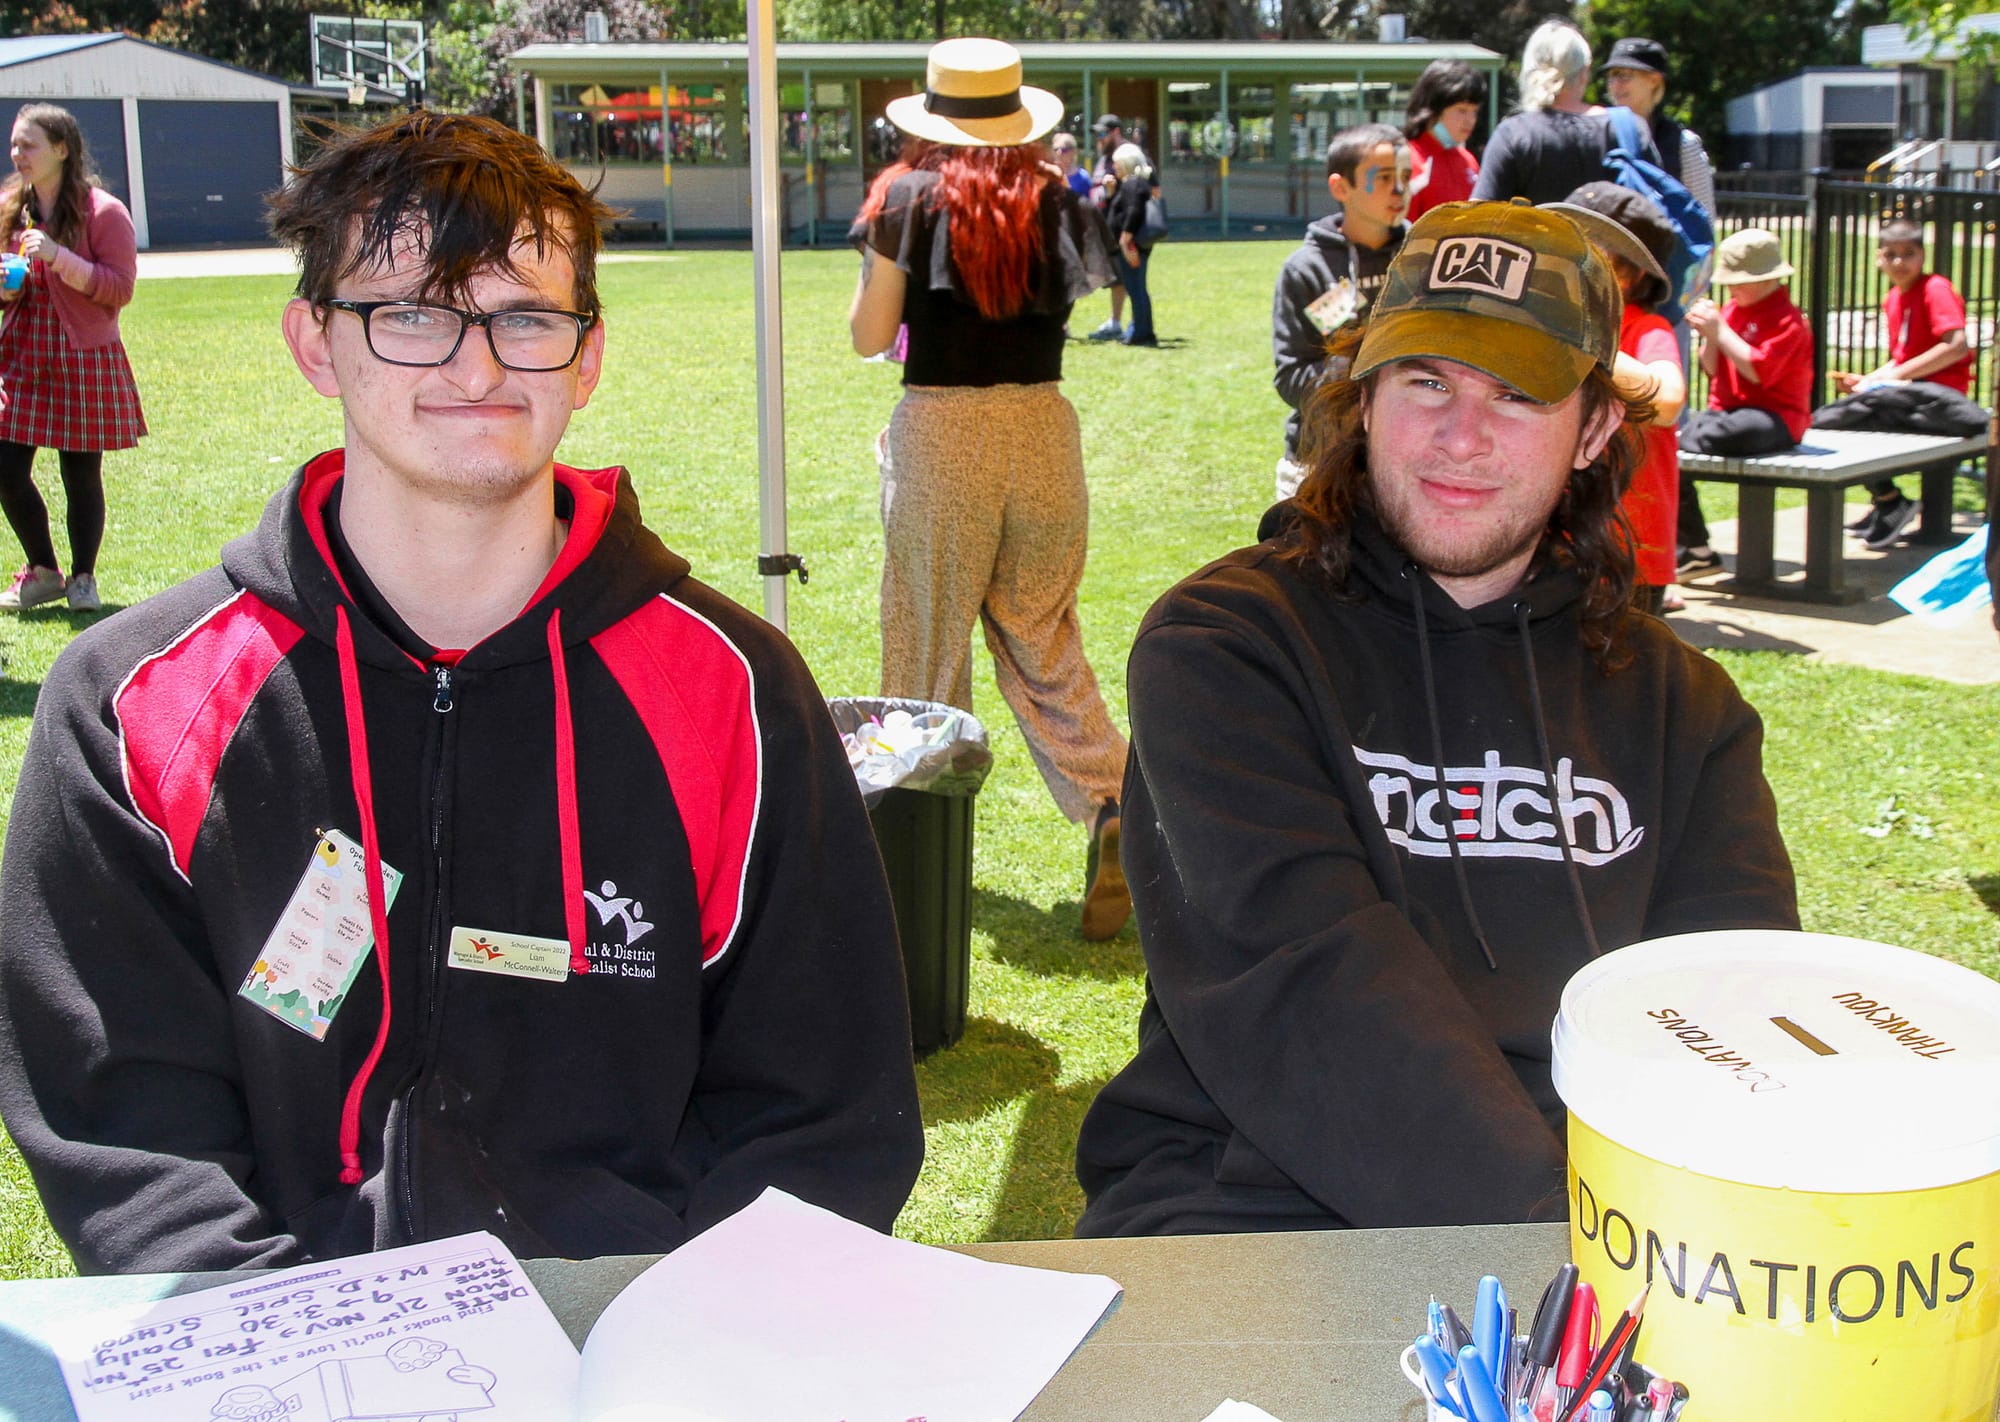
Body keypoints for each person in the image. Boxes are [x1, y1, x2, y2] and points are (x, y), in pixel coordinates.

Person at [0, 111, 924, 1274]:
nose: (475, 365)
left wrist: (680, 1346)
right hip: (273, 1348)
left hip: (644, 1343)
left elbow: (823, 1112)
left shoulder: (730, 690)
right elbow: (125, 1125)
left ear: (586, 356)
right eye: (410, 314)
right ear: (312, 343)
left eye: (524, 316)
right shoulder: (132, 704)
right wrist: (301, 1357)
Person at [1074, 200, 1798, 1237]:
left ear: (1593, 429)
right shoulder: (1227, 648)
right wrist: (1558, 1250)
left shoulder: (1685, 711)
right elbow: (1311, 986)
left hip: (1602, 1219)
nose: (1459, 437)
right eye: (1425, 381)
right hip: (1249, 1201)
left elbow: (1732, 1014)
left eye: (1515, 394)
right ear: (1363, 399)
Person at [848, 38, 1132, 941]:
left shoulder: (904, 195)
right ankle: (1112, 807)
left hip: (946, 427)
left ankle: (909, 857)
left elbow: (869, 335)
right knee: (1045, 639)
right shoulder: (1057, 197)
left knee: (925, 648)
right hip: (1046, 428)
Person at [0, 103, 145, 614]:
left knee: (80, 474)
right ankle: (43, 571)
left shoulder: (103, 212)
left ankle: (83, 578)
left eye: (29, 145)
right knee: (5, 468)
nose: (18, 154)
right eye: (15, 144)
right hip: (22, 355)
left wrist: (60, 258)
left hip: (82, 355)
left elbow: (119, 289)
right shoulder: (11, 208)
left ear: (61, 150)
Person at [1549, 183, 1687, 614]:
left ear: (1629, 275)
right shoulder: (1542, 328)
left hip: (1630, 548)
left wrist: (1585, 342)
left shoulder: (1646, 330)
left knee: (1626, 674)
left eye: (1585, 252)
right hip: (1556, 543)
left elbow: (1667, 402)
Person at [1272, 122, 1409, 498]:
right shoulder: (1307, 271)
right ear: (1340, 187)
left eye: (1406, 176)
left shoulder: (1424, 259)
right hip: (1319, 463)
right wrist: (1363, 372)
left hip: (1408, 463)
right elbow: (1291, 378)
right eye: (1382, 178)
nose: (1399, 190)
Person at [1830, 218, 1976, 549]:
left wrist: (1891, 378)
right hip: (1911, 394)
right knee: (1838, 415)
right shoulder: (1893, 298)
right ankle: (1888, 501)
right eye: (1891, 254)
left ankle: (1890, 501)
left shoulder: (1935, 289)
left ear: (1922, 255)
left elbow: (1956, 346)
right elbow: (1905, 357)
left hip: (1942, 399)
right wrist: (1870, 380)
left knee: (1841, 418)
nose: (1899, 262)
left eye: (1908, 254)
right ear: (1879, 257)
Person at [1677, 227, 1812, 573]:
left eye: (1740, 281)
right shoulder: (1733, 311)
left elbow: (1759, 371)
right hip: (1727, 412)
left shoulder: (1789, 321)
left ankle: (1698, 548)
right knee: (1671, 447)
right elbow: (1712, 369)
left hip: (1775, 418)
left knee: (1733, 432)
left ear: (1767, 279)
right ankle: (1697, 548)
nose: (1732, 288)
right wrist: (1709, 336)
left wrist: (1720, 329)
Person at [1472, 21, 1652, 207]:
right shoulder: (1630, 128)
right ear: (1585, 72)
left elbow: (1478, 218)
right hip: (1614, 236)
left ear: (1529, 72)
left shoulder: (1513, 134)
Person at [1600, 38, 1715, 221]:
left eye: (1624, 75)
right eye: (1611, 76)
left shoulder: (1684, 144)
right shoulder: (1596, 135)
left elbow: (1703, 220)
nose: (1615, 85)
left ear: (1654, 80)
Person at [1403, 60, 1487, 223]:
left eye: (1474, 111)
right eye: (1461, 110)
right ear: (1433, 109)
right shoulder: (1407, 160)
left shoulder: (1467, 160)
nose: (1470, 120)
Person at [1105, 141, 1160, 346]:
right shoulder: (1132, 184)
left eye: (1116, 163)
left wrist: (1125, 240)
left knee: (1136, 288)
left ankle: (1141, 333)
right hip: (1134, 245)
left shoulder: (1132, 184)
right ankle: (1142, 330)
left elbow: (1133, 212)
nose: (1114, 167)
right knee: (1137, 288)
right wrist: (1111, 194)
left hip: (1131, 246)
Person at [1086, 113, 1130, 340]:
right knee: (1116, 278)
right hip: (1104, 227)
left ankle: (1133, 324)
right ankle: (1115, 322)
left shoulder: (1126, 157)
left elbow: (1135, 192)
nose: (1099, 139)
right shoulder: (1105, 158)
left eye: (1103, 134)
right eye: (1097, 135)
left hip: (1122, 228)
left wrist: (1114, 193)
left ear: (1116, 133)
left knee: (1126, 277)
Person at [1052, 130, 1092, 198]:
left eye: (1063, 150)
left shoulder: (1083, 178)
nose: (1059, 153)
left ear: (1074, 151)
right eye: (1056, 149)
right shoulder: (1051, 176)